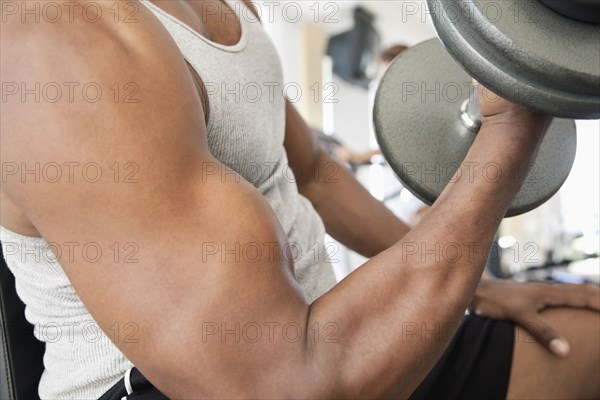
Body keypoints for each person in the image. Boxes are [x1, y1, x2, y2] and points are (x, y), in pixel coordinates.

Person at [1, 1, 598, 399]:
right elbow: (284, 382)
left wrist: (482, 288)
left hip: (322, 341)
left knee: (586, 339)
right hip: (212, 381)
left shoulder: (229, 6)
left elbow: (311, 171)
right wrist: (513, 124)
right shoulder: (57, 38)